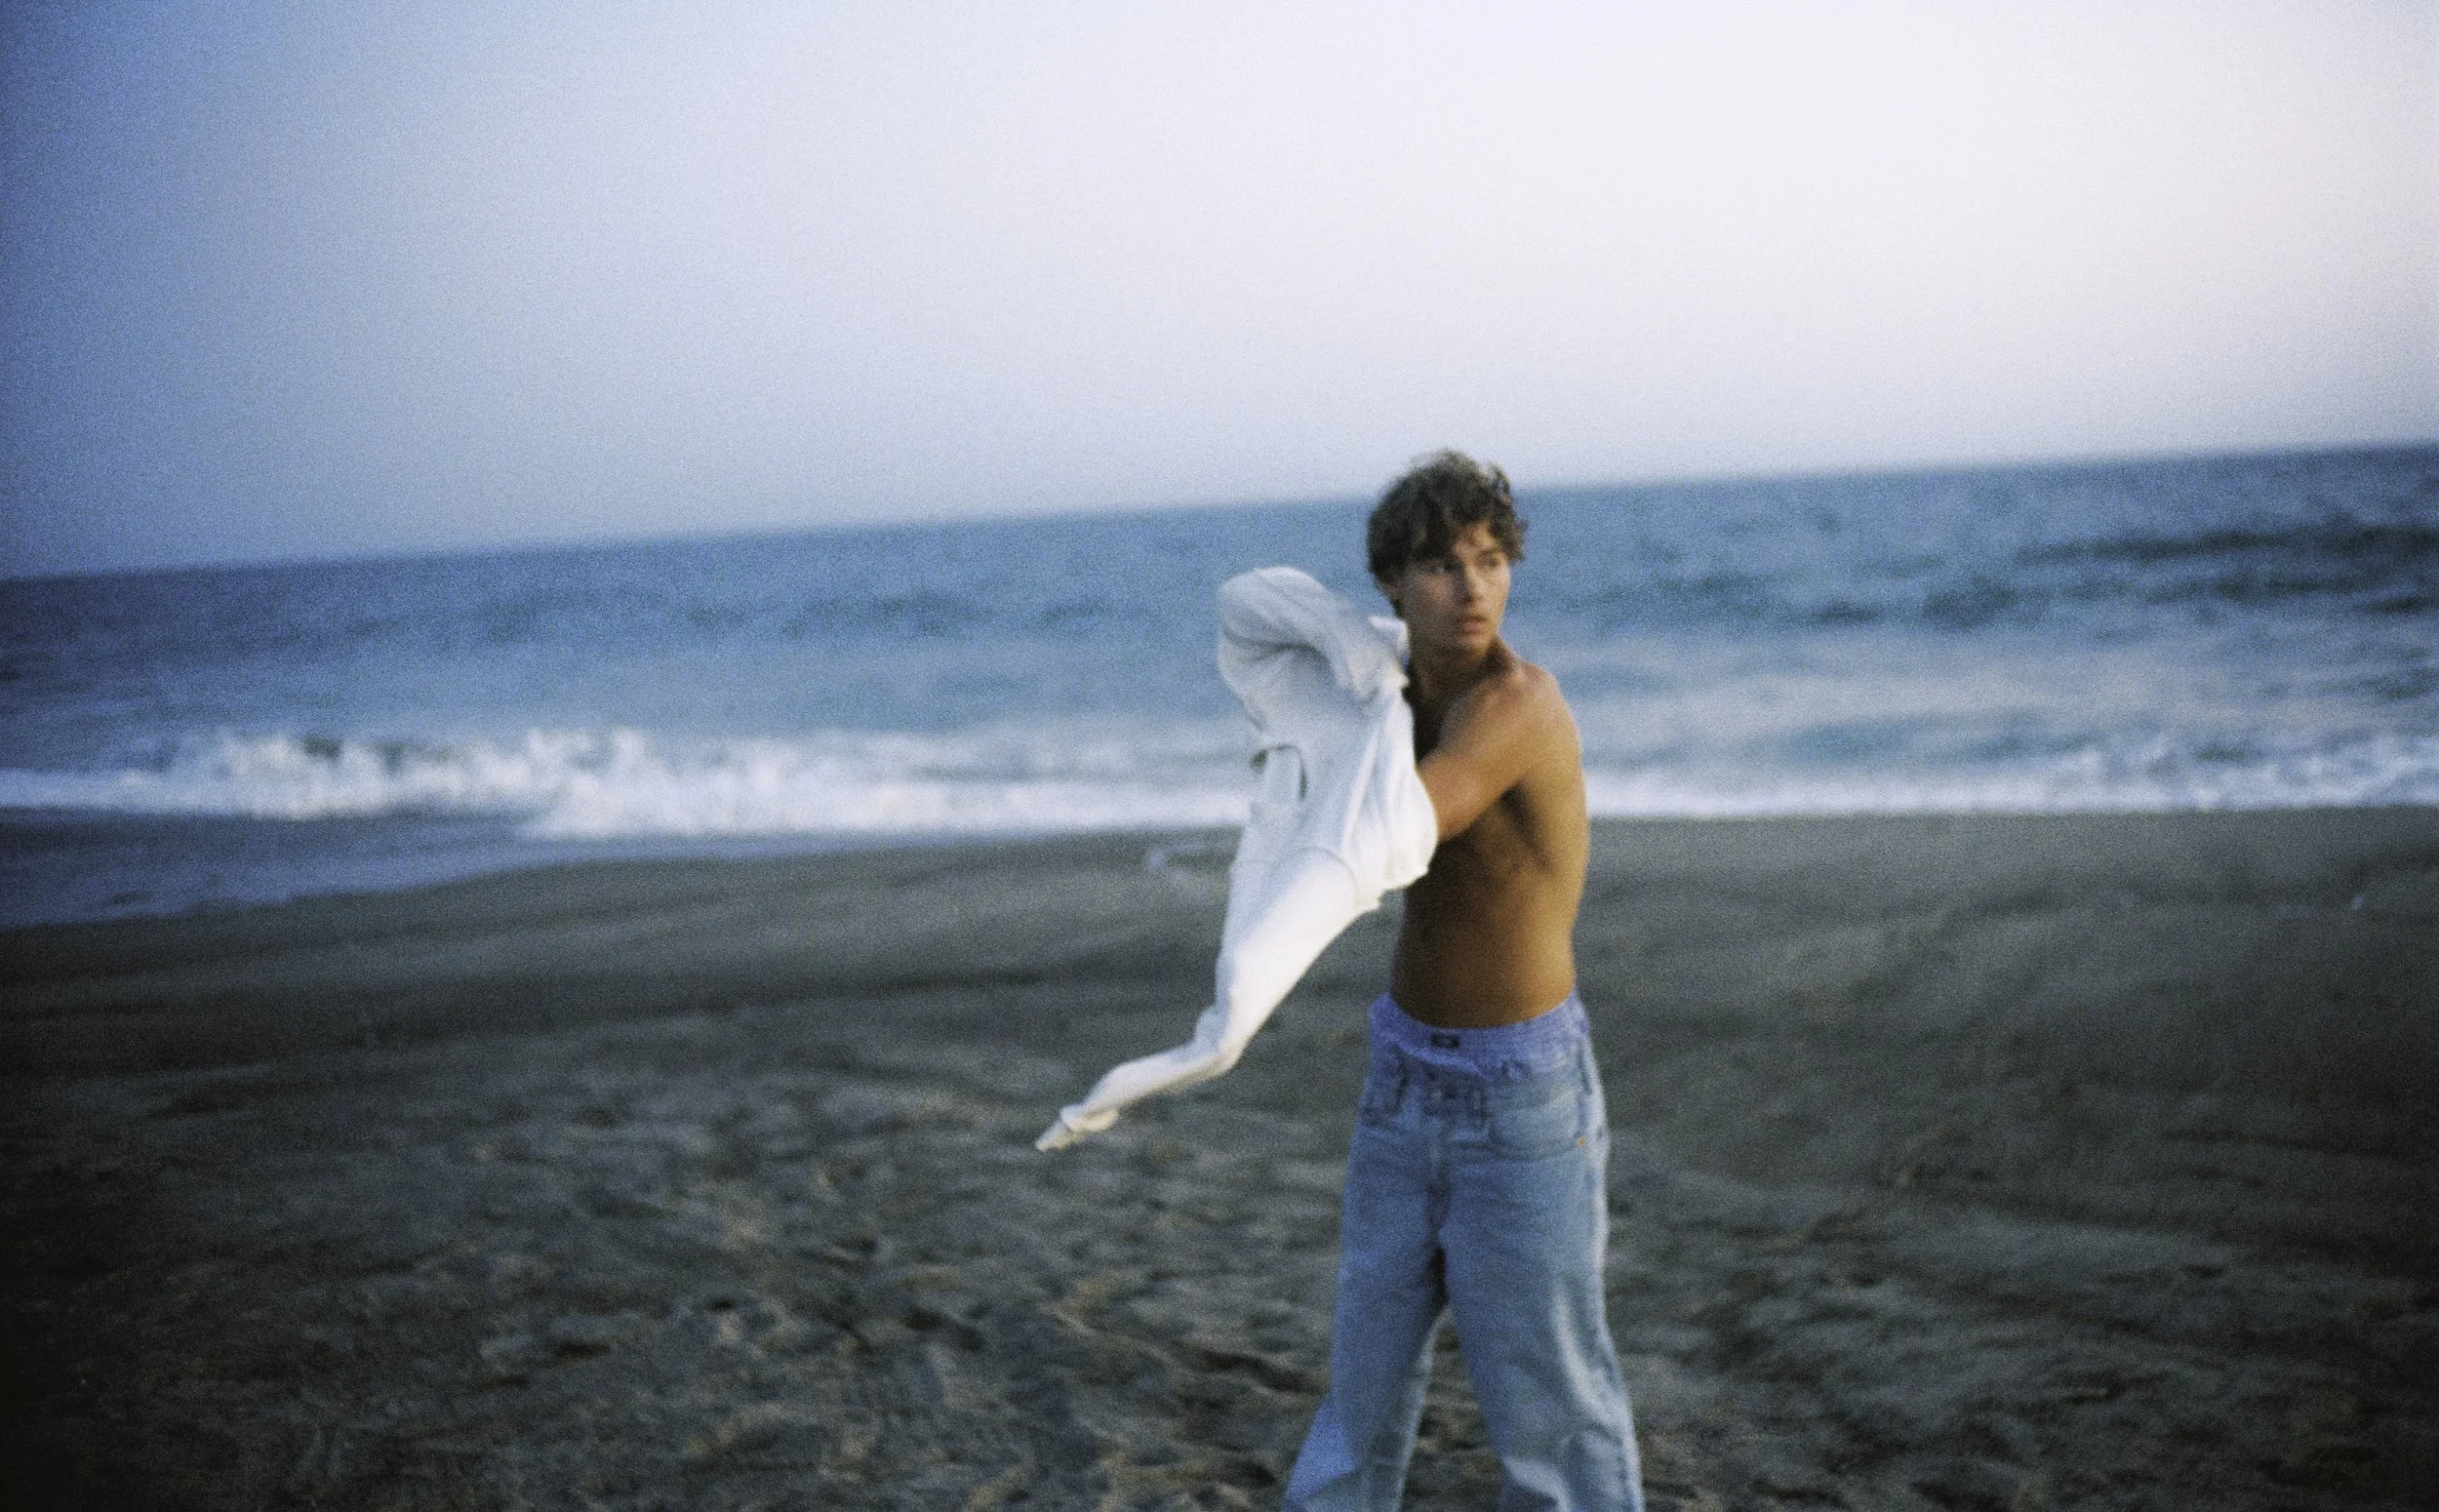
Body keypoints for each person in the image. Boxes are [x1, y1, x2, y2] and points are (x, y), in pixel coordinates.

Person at [1283, 452, 1643, 1511]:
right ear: (1392, 580)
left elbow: (1400, 825)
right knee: (1363, 1382)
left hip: (1520, 1096)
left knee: (1551, 1406)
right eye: (1442, 563)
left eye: (1490, 559)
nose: (1474, 585)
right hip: (1400, 1078)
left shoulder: (1515, 705)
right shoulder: (1386, 697)